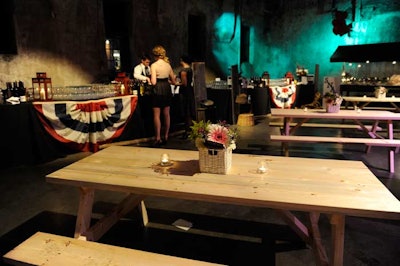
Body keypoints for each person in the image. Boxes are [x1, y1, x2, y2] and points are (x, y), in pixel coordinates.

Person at [150, 45, 176, 146]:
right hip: (166, 88)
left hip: (158, 89)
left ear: (154, 55)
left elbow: (153, 82)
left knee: (156, 115)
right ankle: (166, 136)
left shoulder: (154, 65)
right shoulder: (168, 65)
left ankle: (157, 138)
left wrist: (151, 78)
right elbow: (173, 81)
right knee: (166, 114)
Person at [178, 55, 196, 139]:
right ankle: (191, 129)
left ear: (182, 60)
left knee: (186, 111)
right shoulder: (190, 69)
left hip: (185, 92)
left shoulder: (183, 71)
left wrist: (174, 83)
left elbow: (184, 83)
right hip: (190, 90)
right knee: (189, 109)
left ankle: (187, 131)